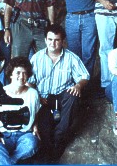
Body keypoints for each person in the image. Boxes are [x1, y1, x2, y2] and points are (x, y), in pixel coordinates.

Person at [27, 24, 89, 161]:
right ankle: (51, 154)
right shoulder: (37, 58)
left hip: (62, 100)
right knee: (44, 128)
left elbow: (84, 76)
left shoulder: (71, 57)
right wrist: (36, 96)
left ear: (63, 41)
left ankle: (59, 136)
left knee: (73, 96)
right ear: (45, 40)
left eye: (56, 40)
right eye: (50, 40)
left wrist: (78, 85)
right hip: (44, 99)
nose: (53, 43)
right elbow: (30, 81)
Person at [0, 57, 40, 165]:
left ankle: (10, 161)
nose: (21, 77)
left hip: (24, 134)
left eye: (24, 73)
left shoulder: (33, 94)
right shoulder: (1, 92)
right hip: (3, 134)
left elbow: (35, 113)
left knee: (32, 143)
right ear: (11, 74)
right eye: (18, 73)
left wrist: (35, 127)